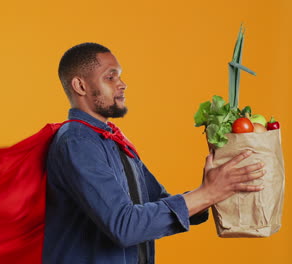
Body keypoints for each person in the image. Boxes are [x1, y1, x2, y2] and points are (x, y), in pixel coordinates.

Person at [42, 42, 265, 264]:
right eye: (110, 77)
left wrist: (218, 187)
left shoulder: (113, 140)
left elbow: (156, 202)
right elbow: (125, 226)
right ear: (80, 86)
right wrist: (207, 193)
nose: (122, 84)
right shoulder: (78, 143)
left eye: (119, 76)